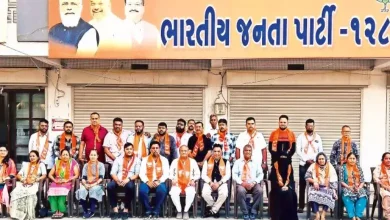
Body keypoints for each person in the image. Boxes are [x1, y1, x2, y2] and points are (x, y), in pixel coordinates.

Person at [268, 115, 298, 220]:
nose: (283, 124)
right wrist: (279, 155)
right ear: (278, 122)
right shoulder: (273, 134)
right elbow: (270, 149)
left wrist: (286, 155)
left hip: (287, 165)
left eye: (284, 122)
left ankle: (288, 215)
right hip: (276, 163)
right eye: (281, 122)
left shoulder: (291, 134)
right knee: (276, 191)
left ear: (287, 123)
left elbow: (293, 149)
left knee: (289, 191)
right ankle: (275, 214)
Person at [10, 150, 47, 220]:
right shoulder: (26, 165)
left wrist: (37, 179)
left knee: (30, 193)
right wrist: (22, 179)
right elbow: (18, 175)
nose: (32, 157)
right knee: (16, 192)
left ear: (37, 157)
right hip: (24, 183)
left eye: (33, 156)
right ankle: (17, 215)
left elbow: (44, 175)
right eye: (30, 156)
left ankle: (28, 214)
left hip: (35, 183)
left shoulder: (41, 165)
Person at [296, 119, 323, 213]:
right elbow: (298, 151)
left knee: (314, 185)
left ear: (314, 126)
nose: (310, 127)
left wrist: (316, 161)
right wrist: (306, 159)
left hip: (314, 165)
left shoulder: (318, 137)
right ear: (305, 126)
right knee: (302, 185)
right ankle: (301, 206)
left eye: (312, 126)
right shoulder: (300, 137)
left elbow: (321, 151)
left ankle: (313, 207)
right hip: (303, 164)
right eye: (308, 126)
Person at [108, 142, 140, 220]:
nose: (129, 151)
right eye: (127, 149)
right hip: (118, 179)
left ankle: (126, 210)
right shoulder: (118, 159)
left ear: (133, 150)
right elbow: (113, 173)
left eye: (130, 149)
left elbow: (137, 174)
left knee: (130, 187)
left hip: (129, 180)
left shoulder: (137, 160)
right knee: (109, 186)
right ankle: (115, 210)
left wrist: (128, 179)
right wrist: (117, 180)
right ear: (124, 150)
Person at [139, 141, 169, 218]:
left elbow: (166, 174)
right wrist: (147, 181)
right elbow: (141, 173)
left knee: (162, 190)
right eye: (153, 148)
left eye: (157, 148)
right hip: (147, 181)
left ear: (159, 149)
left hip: (159, 181)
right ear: (150, 150)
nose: (155, 149)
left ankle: (156, 210)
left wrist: (159, 181)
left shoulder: (164, 160)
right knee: (142, 191)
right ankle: (148, 210)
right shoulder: (145, 159)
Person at [232, 145, 263, 220]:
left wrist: (254, 182)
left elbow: (261, 174)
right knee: (240, 191)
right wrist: (242, 183)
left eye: (249, 150)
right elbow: (234, 174)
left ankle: (253, 210)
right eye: (246, 150)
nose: (248, 152)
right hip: (242, 183)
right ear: (243, 152)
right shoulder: (238, 162)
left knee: (259, 190)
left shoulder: (256, 162)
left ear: (252, 152)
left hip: (253, 183)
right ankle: (245, 212)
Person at [169, 145, 200, 220]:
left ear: (188, 152)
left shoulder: (193, 161)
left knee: (191, 192)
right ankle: (179, 210)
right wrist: (172, 179)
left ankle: (186, 210)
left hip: (189, 183)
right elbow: (170, 173)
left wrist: (193, 179)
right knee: (173, 192)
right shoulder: (174, 161)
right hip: (177, 184)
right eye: (182, 151)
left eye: (185, 151)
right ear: (179, 152)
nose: (183, 152)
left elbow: (198, 173)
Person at [47, 149, 79, 218]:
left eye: (66, 154)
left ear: (69, 155)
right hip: (57, 181)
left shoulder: (72, 162)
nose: (65, 156)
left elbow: (76, 175)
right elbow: (50, 174)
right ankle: (55, 211)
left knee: (61, 192)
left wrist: (67, 179)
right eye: (63, 155)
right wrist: (54, 180)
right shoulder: (57, 163)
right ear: (60, 156)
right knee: (51, 191)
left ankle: (61, 211)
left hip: (67, 182)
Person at [305, 152, 338, 220]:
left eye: (322, 159)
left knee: (329, 194)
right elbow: (306, 176)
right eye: (319, 159)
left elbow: (334, 179)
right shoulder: (313, 165)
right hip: (316, 186)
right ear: (317, 160)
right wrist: (314, 181)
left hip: (327, 187)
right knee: (312, 193)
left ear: (325, 159)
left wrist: (334, 190)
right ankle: (317, 215)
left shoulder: (330, 166)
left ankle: (323, 214)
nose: (321, 160)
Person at [201, 144, 231, 218]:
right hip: (209, 182)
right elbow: (203, 175)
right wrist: (210, 182)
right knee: (204, 193)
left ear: (221, 152)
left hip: (221, 182)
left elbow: (228, 175)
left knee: (224, 193)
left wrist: (219, 183)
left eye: (218, 151)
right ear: (212, 152)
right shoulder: (207, 161)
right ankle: (216, 209)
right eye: (215, 151)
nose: (217, 153)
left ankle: (212, 210)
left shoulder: (226, 162)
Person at [76, 150, 105, 218]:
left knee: (93, 189)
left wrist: (93, 185)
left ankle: (92, 211)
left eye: (94, 155)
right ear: (89, 156)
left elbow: (101, 178)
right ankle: (85, 210)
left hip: (97, 184)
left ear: (97, 156)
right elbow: (83, 178)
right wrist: (85, 185)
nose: (93, 156)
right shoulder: (86, 165)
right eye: (91, 155)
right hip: (87, 184)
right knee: (81, 191)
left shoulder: (101, 165)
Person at [340, 152, 367, 220]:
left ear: (356, 159)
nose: (352, 160)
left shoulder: (358, 168)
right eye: (350, 158)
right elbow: (341, 181)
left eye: (353, 158)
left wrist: (359, 188)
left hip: (358, 187)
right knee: (346, 194)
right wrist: (349, 187)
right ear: (347, 159)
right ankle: (352, 216)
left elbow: (362, 180)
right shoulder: (343, 168)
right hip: (347, 187)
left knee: (363, 195)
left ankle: (358, 215)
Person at [373, 152, 390, 219]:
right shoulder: (379, 168)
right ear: (383, 159)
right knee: (387, 196)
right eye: (386, 158)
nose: (388, 160)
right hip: (384, 189)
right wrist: (385, 186)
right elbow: (375, 178)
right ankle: (388, 217)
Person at [0, 146, 16, 212]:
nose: (2, 152)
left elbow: (13, 173)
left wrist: (7, 177)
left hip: (5, 182)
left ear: (7, 152)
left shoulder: (10, 161)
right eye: (1, 150)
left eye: (4, 150)